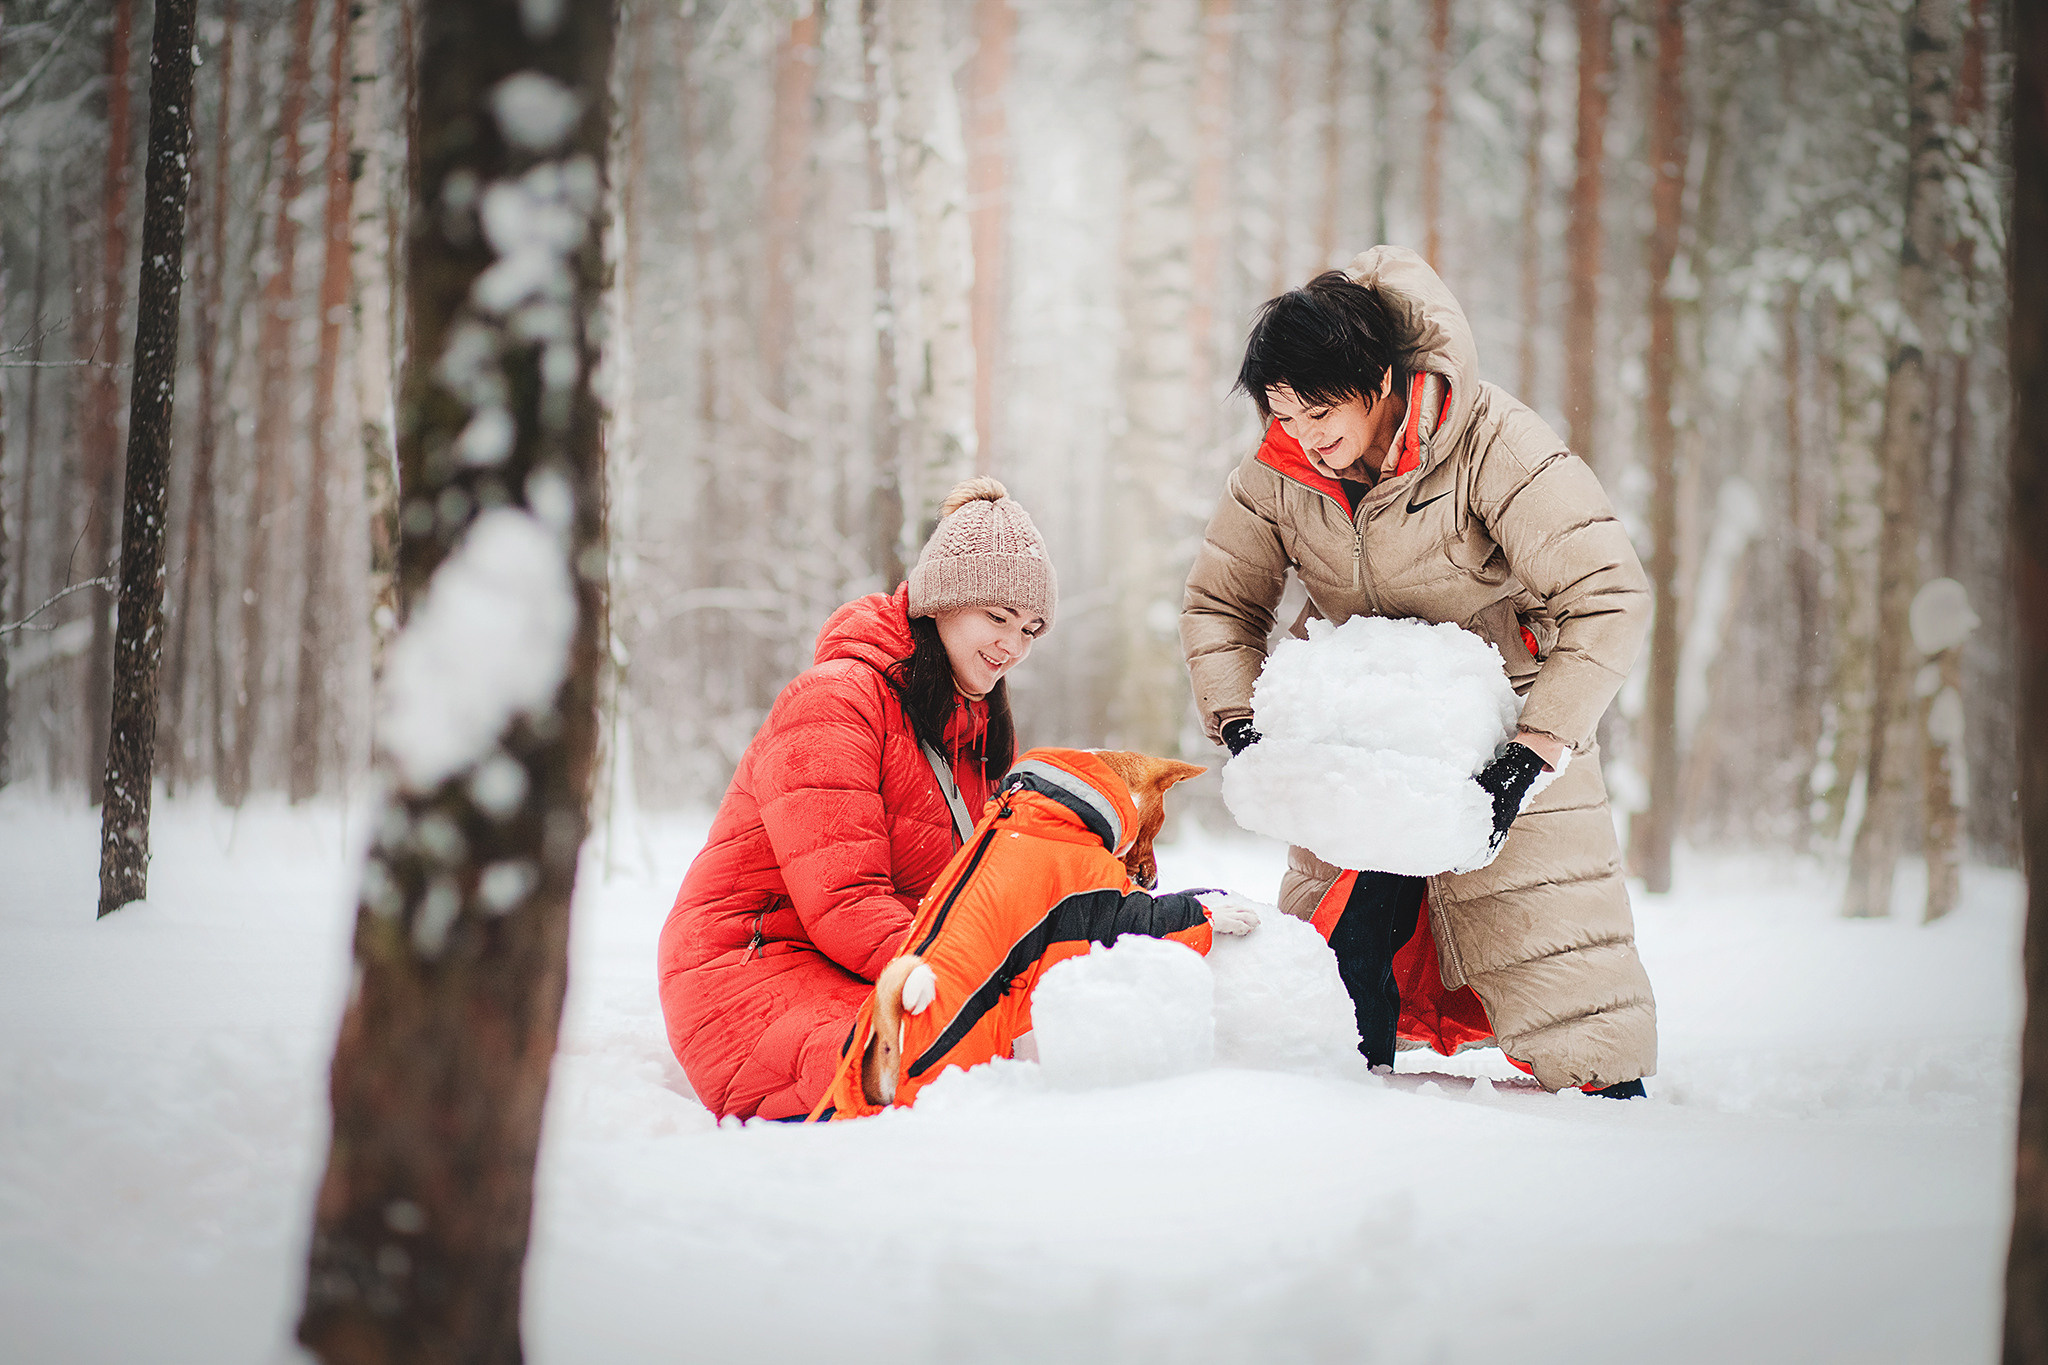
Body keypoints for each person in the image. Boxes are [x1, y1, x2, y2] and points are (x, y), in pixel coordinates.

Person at [1181, 246, 1657, 1096]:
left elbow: (1609, 593)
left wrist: (1533, 748)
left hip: (1501, 736)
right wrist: (1242, 723)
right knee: (1325, 1011)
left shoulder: (1491, 443)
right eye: (1284, 412)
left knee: (1574, 1016)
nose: (1303, 433)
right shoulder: (1279, 474)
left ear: (1379, 377)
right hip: (1359, 743)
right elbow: (1220, 604)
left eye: (1321, 407)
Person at [658, 478, 1055, 1120]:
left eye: (1031, 628)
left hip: (865, 960)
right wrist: (971, 976)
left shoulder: (970, 730)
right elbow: (845, 901)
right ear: (941, 601)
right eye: (998, 618)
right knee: (932, 1068)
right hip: (749, 965)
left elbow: (964, 890)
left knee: (998, 1054)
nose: (1014, 646)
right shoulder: (836, 702)